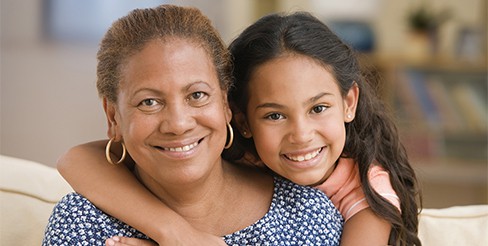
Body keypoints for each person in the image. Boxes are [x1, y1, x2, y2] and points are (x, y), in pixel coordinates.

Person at [56, 10, 421, 246]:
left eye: (197, 95)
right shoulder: (81, 220)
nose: (301, 135)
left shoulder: (325, 208)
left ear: (224, 107)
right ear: (242, 117)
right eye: (149, 102)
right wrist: (177, 233)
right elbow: (75, 159)